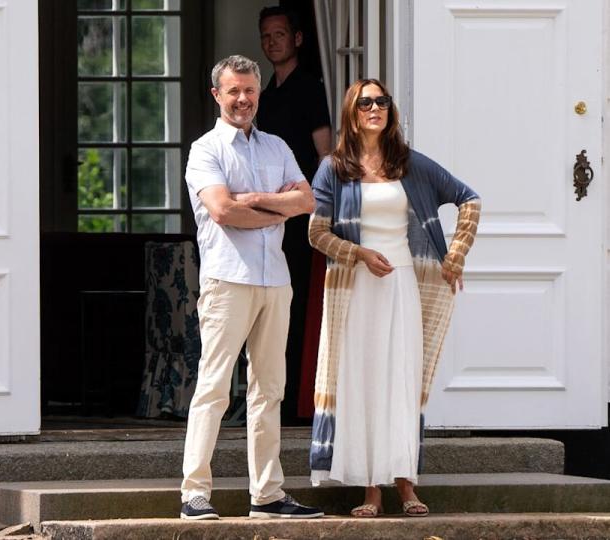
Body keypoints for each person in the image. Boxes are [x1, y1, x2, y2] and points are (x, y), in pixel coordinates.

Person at [307, 79, 482, 518]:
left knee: (400, 381)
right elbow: (316, 232)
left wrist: (455, 255)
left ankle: (406, 483)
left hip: (403, 283)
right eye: (365, 102)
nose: (374, 108)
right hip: (356, 288)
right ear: (351, 112)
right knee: (363, 382)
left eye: (381, 101)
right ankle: (371, 490)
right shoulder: (334, 168)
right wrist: (359, 254)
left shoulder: (409, 163)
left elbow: (469, 199)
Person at [179, 54, 323, 521]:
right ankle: (194, 493)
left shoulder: (277, 146)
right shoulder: (205, 150)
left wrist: (258, 200)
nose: (243, 99)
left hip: (275, 280)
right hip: (227, 279)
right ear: (216, 95)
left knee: (269, 390)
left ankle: (267, 494)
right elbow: (222, 211)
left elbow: (307, 200)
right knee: (214, 388)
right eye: (234, 91)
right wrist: (276, 207)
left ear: (258, 95)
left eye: (250, 91)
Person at [256, 5, 333, 423]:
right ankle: (272, 399)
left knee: (299, 299)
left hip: (303, 215)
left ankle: (298, 403)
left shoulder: (310, 89)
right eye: (266, 36)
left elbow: (325, 153)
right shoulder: (263, 97)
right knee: (270, 303)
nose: (272, 42)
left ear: (298, 39)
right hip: (267, 217)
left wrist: (316, 203)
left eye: (280, 34)